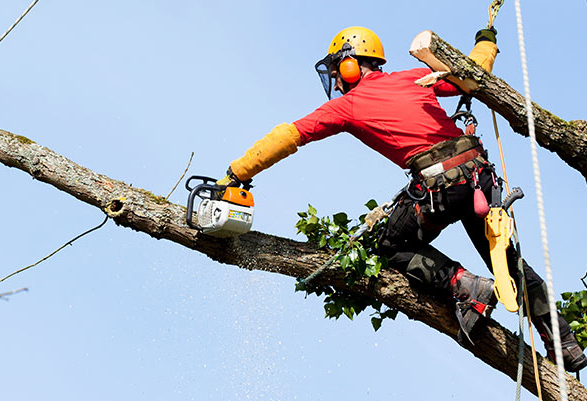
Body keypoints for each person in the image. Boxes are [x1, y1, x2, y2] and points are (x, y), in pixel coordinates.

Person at [217, 26, 587, 372]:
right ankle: (564, 343)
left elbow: (290, 135)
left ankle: (465, 285)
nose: (336, 81)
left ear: (349, 64)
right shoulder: (414, 77)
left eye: (337, 71)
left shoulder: (348, 105)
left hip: (441, 186)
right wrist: (486, 40)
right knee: (507, 261)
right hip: (478, 177)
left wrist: (237, 173)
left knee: (390, 245)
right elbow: (474, 73)